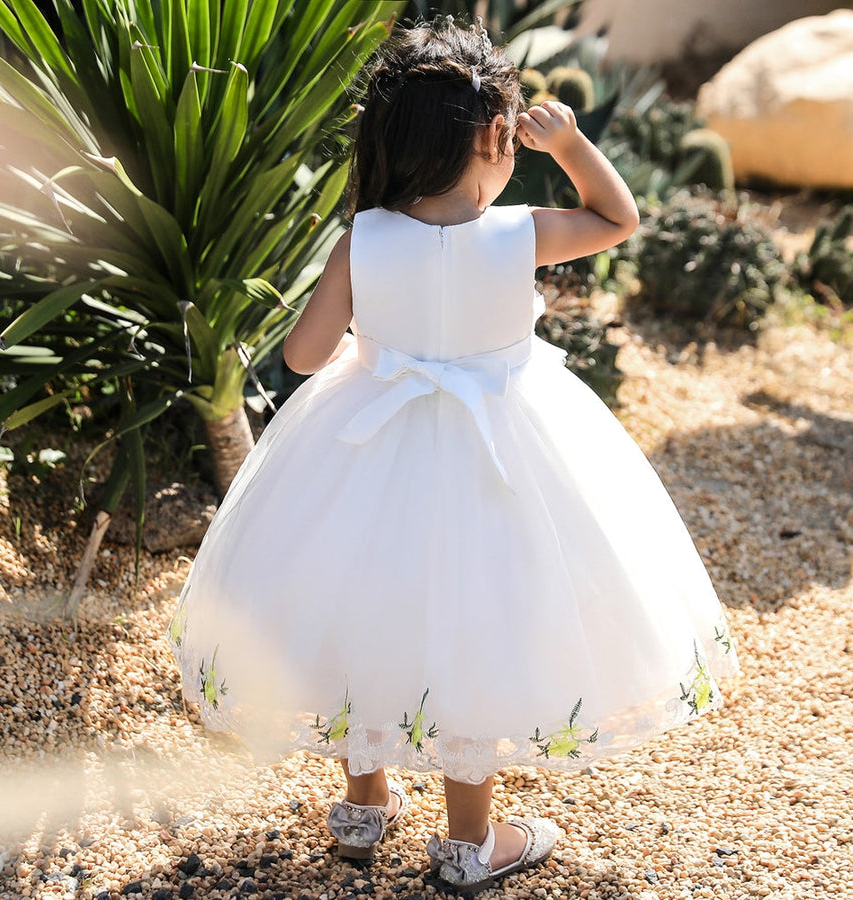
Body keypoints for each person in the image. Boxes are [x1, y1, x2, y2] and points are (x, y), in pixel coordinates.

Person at [169, 17, 740, 893]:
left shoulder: (362, 238)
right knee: (477, 625)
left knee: (365, 606)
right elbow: (617, 218)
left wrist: (374, 341)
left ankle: (363, 805)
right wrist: (572, 144)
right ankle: (471, 842)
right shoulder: (520, 233)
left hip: (367, 445)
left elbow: (304, 359)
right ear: (496, 137)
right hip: (501, 450)